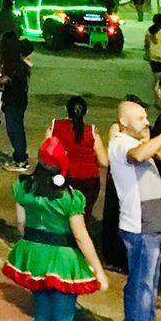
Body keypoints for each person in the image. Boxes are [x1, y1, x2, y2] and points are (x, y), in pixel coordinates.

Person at [2, 135, 107, 321]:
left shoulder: (23, 187)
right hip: (63, 262)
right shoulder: (71, 197)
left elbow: (21, 223)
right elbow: (81, 237)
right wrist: (98, 270)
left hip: (34, 256)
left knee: (41, 312)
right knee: (63, 316)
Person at [109, 98, 161, 321]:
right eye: (140, 119)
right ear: (124, 123)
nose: (146, 122)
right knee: (143, 285)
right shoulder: (122, 144)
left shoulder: (131, 142)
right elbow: (137, 155)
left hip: (151, 225)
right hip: (142, 227)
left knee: (146, 283)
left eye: (146, 117)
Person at [47, 95, 108, 225]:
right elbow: (104, 161)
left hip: (63, 178)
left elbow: (46, 153)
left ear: (66, 109)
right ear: (86, 112)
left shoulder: (55, 126)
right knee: (83, 216)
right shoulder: (91, 131)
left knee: (61, 215)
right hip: (89, 181)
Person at [0, 32, 34, 172]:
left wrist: (0, 80)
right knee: (18, 128)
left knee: (14, 130)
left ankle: (20, 160)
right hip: (20, 100)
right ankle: (20, 156)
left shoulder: (13, 64)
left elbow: (6, 81)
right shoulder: (21, 61)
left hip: (13, 101)